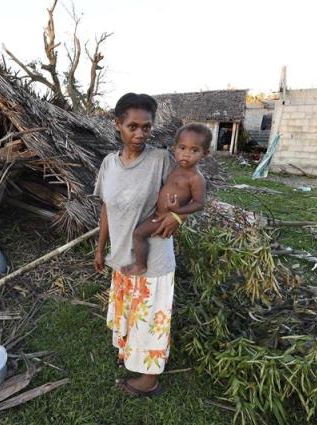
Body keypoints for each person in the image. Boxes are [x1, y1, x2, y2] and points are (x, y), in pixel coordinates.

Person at [93, 93, 182, 397]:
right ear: (117, 125)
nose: (140, 134)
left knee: (148, 320)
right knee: (130, 314)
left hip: (153, 259)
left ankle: (149, 380)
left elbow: (184, 190)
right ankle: (129, 355)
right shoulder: (109, 164)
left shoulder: (160, 160)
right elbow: (106, 208)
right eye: (132, 126)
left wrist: (177, 217)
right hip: (121, 257)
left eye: (146, 127)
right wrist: (100, 248)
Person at [122, 123, 210, 276]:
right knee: (132, 228)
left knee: (138, 234)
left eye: (194, 150)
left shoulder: (196, 179)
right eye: (182, 148)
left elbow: (199, 203)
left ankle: (140, 265)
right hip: (155, 212)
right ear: (174, 148)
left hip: (163, 218)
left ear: (205, 153)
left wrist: (178, 212)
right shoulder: (173, 167)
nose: (186, 154)